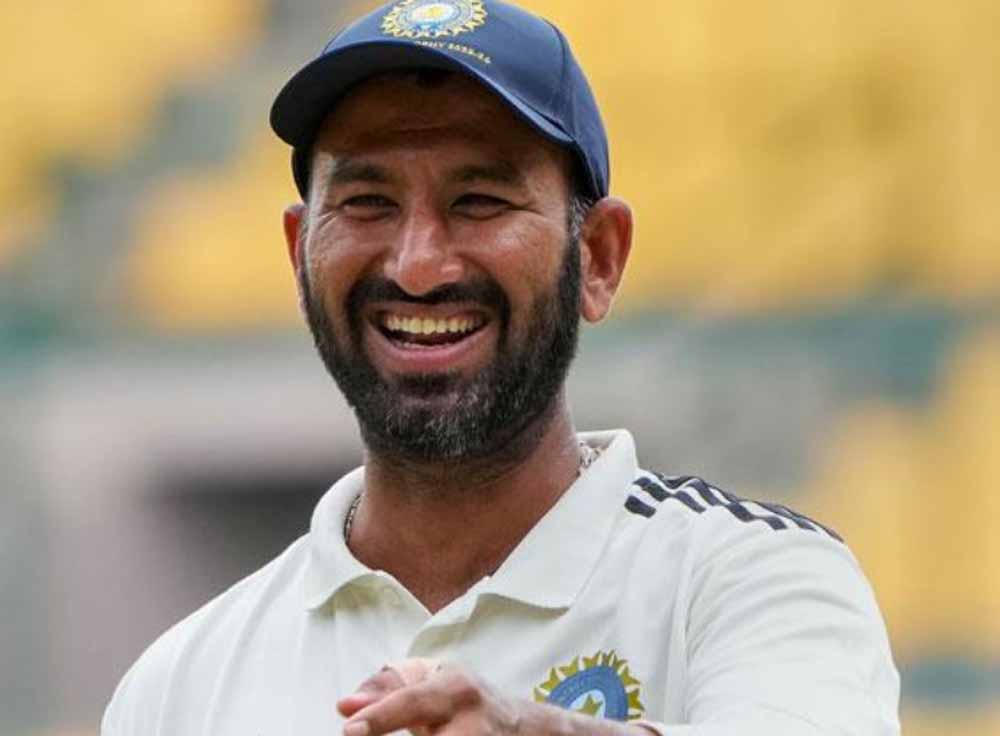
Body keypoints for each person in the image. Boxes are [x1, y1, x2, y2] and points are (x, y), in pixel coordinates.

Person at [103, 1, 901, 734]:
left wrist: (531, 729)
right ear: (298, 253)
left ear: (598, 258)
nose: (418, 265)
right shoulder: (180, 688)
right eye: (367, 203)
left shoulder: (753, 578)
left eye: (479, 201)